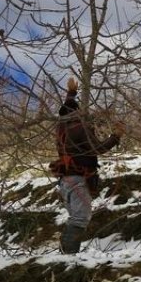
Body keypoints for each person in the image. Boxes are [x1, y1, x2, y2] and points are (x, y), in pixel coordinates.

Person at [50, 77, 121, 253]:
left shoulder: (61, 127)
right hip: (77, 180)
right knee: (80, 219)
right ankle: (67, 257)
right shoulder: (79, 127)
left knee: (76, 217)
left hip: (65, 180)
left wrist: (71, 93)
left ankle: (64, 255)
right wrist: (116, 136)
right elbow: (99, 148)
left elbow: (67, 106)